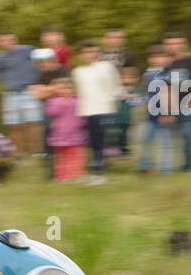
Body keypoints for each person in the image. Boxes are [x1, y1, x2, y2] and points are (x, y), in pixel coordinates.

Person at [71, 40, 124, 174]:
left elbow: (115, 85)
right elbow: (78, 91)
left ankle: (103, 162)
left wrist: (115, 101)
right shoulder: (78, 71)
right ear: (81, 55)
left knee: (105, 137)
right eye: (87, 52)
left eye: (93, 51)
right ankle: (96, 161)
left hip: (105, 107)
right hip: (88, 109)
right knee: (93, 138)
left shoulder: (106, 66)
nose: (90, 54)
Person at [0, 31, 42, 158]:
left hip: (29, 91)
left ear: (15, 39)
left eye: (8, 39)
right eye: (2, 40)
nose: (6, 43)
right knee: (14, 125)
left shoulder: (29, 50)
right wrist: (8, 82)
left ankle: (37, 154)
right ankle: (19, 155)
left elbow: (41, 63)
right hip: (11, 94)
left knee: (33, 123)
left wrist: (37, 81)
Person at [163, 33, 191, 171]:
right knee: (175, 137)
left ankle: (189, 165)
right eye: (170, 43)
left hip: (189, 106)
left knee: (188, 135)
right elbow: (168, 88)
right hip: (174, 107)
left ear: (183, 44)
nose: (173, 46)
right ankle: (174, 165)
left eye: (177, 43)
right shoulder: (168, 64)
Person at [137, 45, 174, 174]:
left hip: (163, 113)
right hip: (149, 114)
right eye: (155, 56)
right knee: (145, 140)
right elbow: (146, 94)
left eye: (162, 56)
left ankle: (165, 168)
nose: (158, 59)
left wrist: (168, 113)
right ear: (150, 59)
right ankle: (145, 166)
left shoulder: (167, 74)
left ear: (167, 58)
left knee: (165, 142)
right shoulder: (147, 74)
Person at [44, 77, 86, 181]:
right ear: (56, 90)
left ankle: (75, 174)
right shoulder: (53, 101)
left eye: (68, 88)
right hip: (59, 135)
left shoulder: (77, 101)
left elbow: (83, 115)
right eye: (62, 88)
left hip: (74, 134)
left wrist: (81, 123)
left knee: (75, 156)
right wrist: (61, 104)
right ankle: (61, 176)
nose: (65, 91)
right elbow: (49, 113)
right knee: (60, 158)